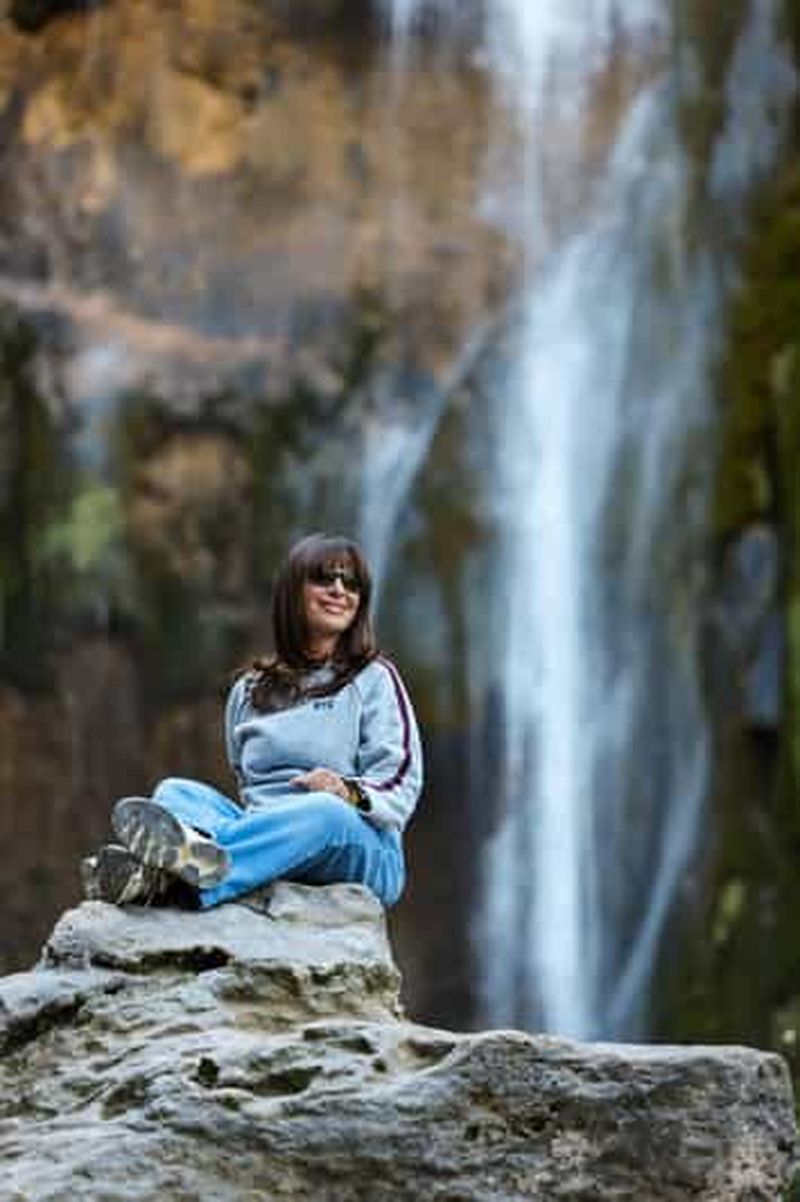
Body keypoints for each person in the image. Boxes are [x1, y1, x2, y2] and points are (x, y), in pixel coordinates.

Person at [83, 533, 423, 910]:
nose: (339, 590)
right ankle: (188, 867)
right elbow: (246, 782)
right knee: (176, 793)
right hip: (269, 832)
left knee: (323, 812)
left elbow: (402, 784)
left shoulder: (374, 678)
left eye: (351, 583)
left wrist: (345, 790)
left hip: (357, 843)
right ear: (293, 591)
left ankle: (184, 879)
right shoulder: (249, 689)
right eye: (324, 578)